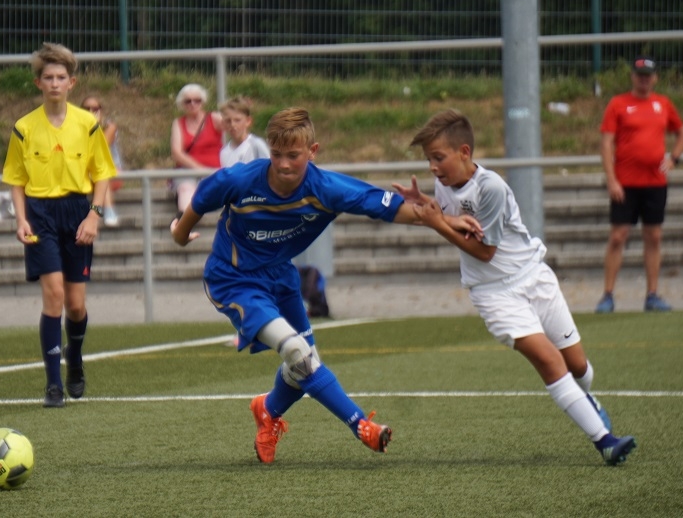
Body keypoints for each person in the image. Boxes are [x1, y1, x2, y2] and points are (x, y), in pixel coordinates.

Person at [170, 107, 482, 464]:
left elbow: (389, 208)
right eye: (276, 154)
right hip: (233, 279)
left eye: (293, 155)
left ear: (312, 151)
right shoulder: (241, 180)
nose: (283, 164)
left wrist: (447, 222)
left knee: (304, 364)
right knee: (298, 353)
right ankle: (361, 425)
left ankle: (268, 410)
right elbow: (200, 201)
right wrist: (180, 235)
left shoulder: (326, 188)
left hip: (281, 277)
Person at [393, 108, 637, 466]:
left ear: (464, 152)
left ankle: (587, 400)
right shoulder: (444, 183)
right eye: (428, 159)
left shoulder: (490, 187)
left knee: (579, 367)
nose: (432, 167)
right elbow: (452, 223)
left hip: (533, 277)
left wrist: (435, 222)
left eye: (438, 157)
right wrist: (428, 208)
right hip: (493, 294)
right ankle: (606, 442)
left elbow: (485, 251)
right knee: (548, 360)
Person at [2, 42, 117, 408]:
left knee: (76, 305)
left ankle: (75, 357)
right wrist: (21, 218)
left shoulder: (87, 124)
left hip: (77, 210)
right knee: (53, 296)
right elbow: (16, 179)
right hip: (40, 214)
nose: (54, 83)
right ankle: (53, 385)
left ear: (72, 83)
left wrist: (94, 215)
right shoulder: (24, 127)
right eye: (48, 77)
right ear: (38, 83)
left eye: (61, 77)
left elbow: (102, 173)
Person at [596, 56, 683, 314]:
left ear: (654, 78)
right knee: (618, 236)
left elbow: (682, 132)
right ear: (633, 77)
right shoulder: (618, 104)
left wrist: (674, 158)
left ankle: (652, 294)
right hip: (625, 183)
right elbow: (606, 143)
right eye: (640, 75)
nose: (644, 80)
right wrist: (611, 179)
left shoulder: (663, 104)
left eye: (648, 75)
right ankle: (607, 294)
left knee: (654, 236)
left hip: (655, 182)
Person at [169, 83, 223, 212]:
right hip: (188, 170)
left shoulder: (214, 118)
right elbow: (176, 153)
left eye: (197, 100)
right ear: (182, 104)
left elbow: (234, 127)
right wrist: (200, 170)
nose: (192, 104)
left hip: (214, 170)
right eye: (188, 101)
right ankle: (185, 219)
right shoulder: (178, 123)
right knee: (185, 188)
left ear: (203, 102)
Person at [80, 95, 122, 227]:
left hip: (112, 171)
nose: (90, 111)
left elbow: (99, 148)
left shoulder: (110, 126)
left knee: (102, 172)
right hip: (86, 173)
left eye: (95, 108)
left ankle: (108, 209)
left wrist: (95, 126)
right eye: (86, 108)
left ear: (101, 110)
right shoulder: (75, 128)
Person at [218, 95, 270, 168]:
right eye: (228, 121)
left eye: (237, 120)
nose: (232, 125)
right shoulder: (224, 151)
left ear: (248, 121)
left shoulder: (256, 145)